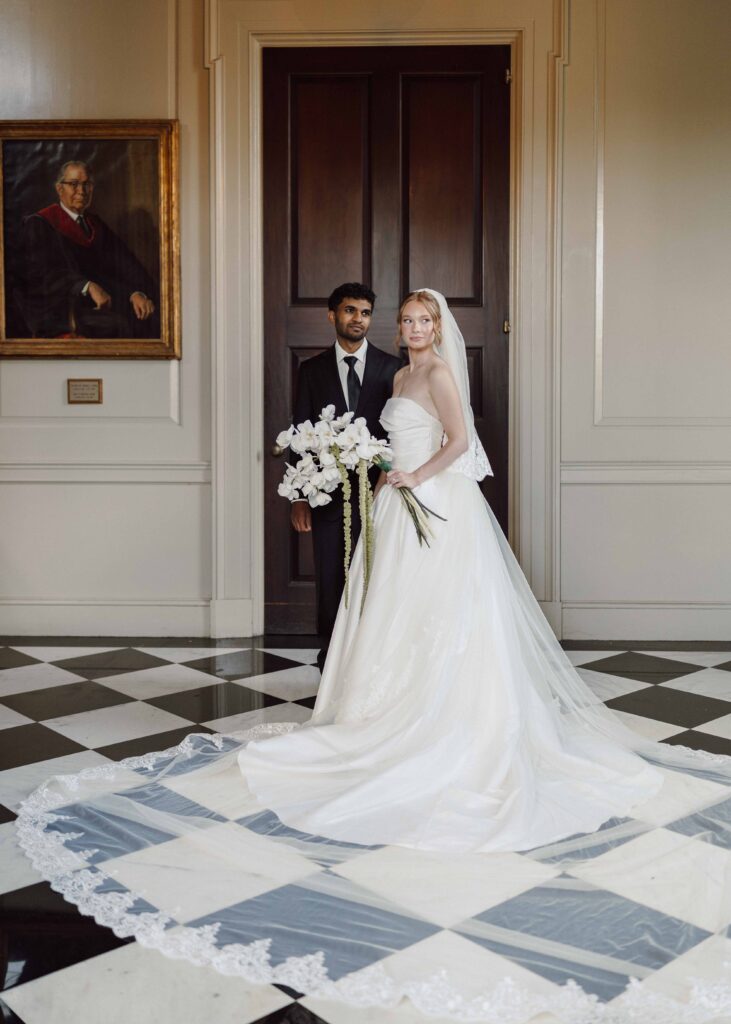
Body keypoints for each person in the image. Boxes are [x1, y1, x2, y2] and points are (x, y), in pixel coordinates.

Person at [16, 290, 731, 1018]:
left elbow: (460, 443)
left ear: (437, 329)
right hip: (395, 506)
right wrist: (365, 466)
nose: (412, 331)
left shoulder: (442, 376)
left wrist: (413, 478)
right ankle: (379, 713)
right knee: (385, 619)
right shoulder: (393, 379)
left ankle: (452, 721)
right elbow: (387, 438)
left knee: (445, 623)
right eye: (407, 322)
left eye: (423, 322)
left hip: (437, 510)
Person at [291, 282, 401, 670]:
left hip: (381, 490)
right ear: (332, 315)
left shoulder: (393, 369)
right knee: (331, 573)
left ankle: (373, 655)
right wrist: (300, 496)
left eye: (365, 312)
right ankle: (331, 656)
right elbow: (300, 434)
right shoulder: (312, 370)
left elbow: (399, 432)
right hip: (327, 492)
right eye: (350, 311)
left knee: (377, 571)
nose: (358, 319)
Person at [16, 160, 158, 339]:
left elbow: (125, 264)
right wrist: (84, 285)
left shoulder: (95, 225)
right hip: (60, 310)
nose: (81, 191)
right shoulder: (40, 224)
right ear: (60, 189)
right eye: (74, 184)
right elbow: (39, 275)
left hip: (102, 304)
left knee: (149, 318)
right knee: (119, 326)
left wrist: (136, 292)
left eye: (87, 184)